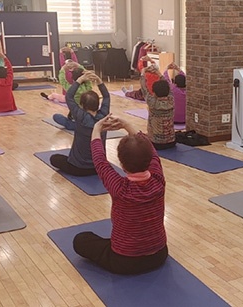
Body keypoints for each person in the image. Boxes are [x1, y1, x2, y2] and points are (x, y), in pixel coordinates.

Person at [72, 115, 168, 275]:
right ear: (150, 159)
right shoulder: (158, 180)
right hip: (159, 254)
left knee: (81, 240)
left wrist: (96, 129)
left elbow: (99, 161)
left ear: (121, 164)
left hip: (125, 261)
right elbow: (152, 151)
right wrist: (127, 124)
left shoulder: (119, 187)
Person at [50, 71, 110, 176]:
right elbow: (106, 97)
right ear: (98, 104)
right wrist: (99, 81)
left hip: (79, 168)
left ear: (82, 105)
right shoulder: (103, 116)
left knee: (54, 158)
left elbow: (69, 96)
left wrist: (79, 80)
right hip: (99, 168)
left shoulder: (80, 116)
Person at [141, 64, 175, 150]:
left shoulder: (152, 102)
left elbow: (144, 89)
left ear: (154, 92)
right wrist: (158, 73)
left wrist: (143, 73)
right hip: (171, 141)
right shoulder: (171, 100)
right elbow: (168, 86)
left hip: (156, 143)